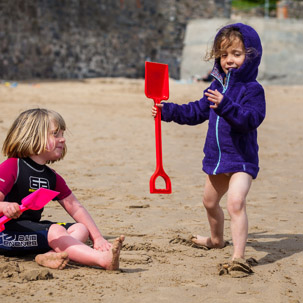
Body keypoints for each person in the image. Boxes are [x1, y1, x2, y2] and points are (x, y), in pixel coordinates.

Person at [152, 23, 265, 274]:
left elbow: (251, 119)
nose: (229, 60)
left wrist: (226, 105)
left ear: (251, 55)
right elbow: (195, 111)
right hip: (217, 160)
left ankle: (238, 256)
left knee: (236, 203)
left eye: (236, 54)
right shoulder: (215, 87)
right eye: (224, 55)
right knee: (209, 202)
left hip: (242, 160)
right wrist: (167, 111)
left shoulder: (253, 90)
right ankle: (216, 240)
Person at [0, 108, 124, 270]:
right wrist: (5, 206)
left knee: (80, 228)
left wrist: (98, 238)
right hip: (6, 235)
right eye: (55, 134)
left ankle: (48, 256)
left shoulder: (51, 176)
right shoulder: (12, 166)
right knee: (55, 230)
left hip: (32, 230)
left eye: (63, 134)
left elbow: (76, 208)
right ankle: (101, 260)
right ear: (33, 136)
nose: (63, 139)